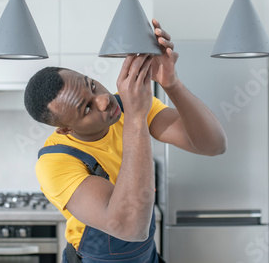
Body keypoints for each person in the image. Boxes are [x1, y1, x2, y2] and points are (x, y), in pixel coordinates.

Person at [24, 19, 227, 263]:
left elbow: (213, 145)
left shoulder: (127, 106)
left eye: (92, 85)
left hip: (146, 256)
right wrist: (137, 116)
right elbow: (130, 227)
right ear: (66, 129)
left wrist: (171, 84)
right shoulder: (55, 162)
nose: (103, 100)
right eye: (86, 108)